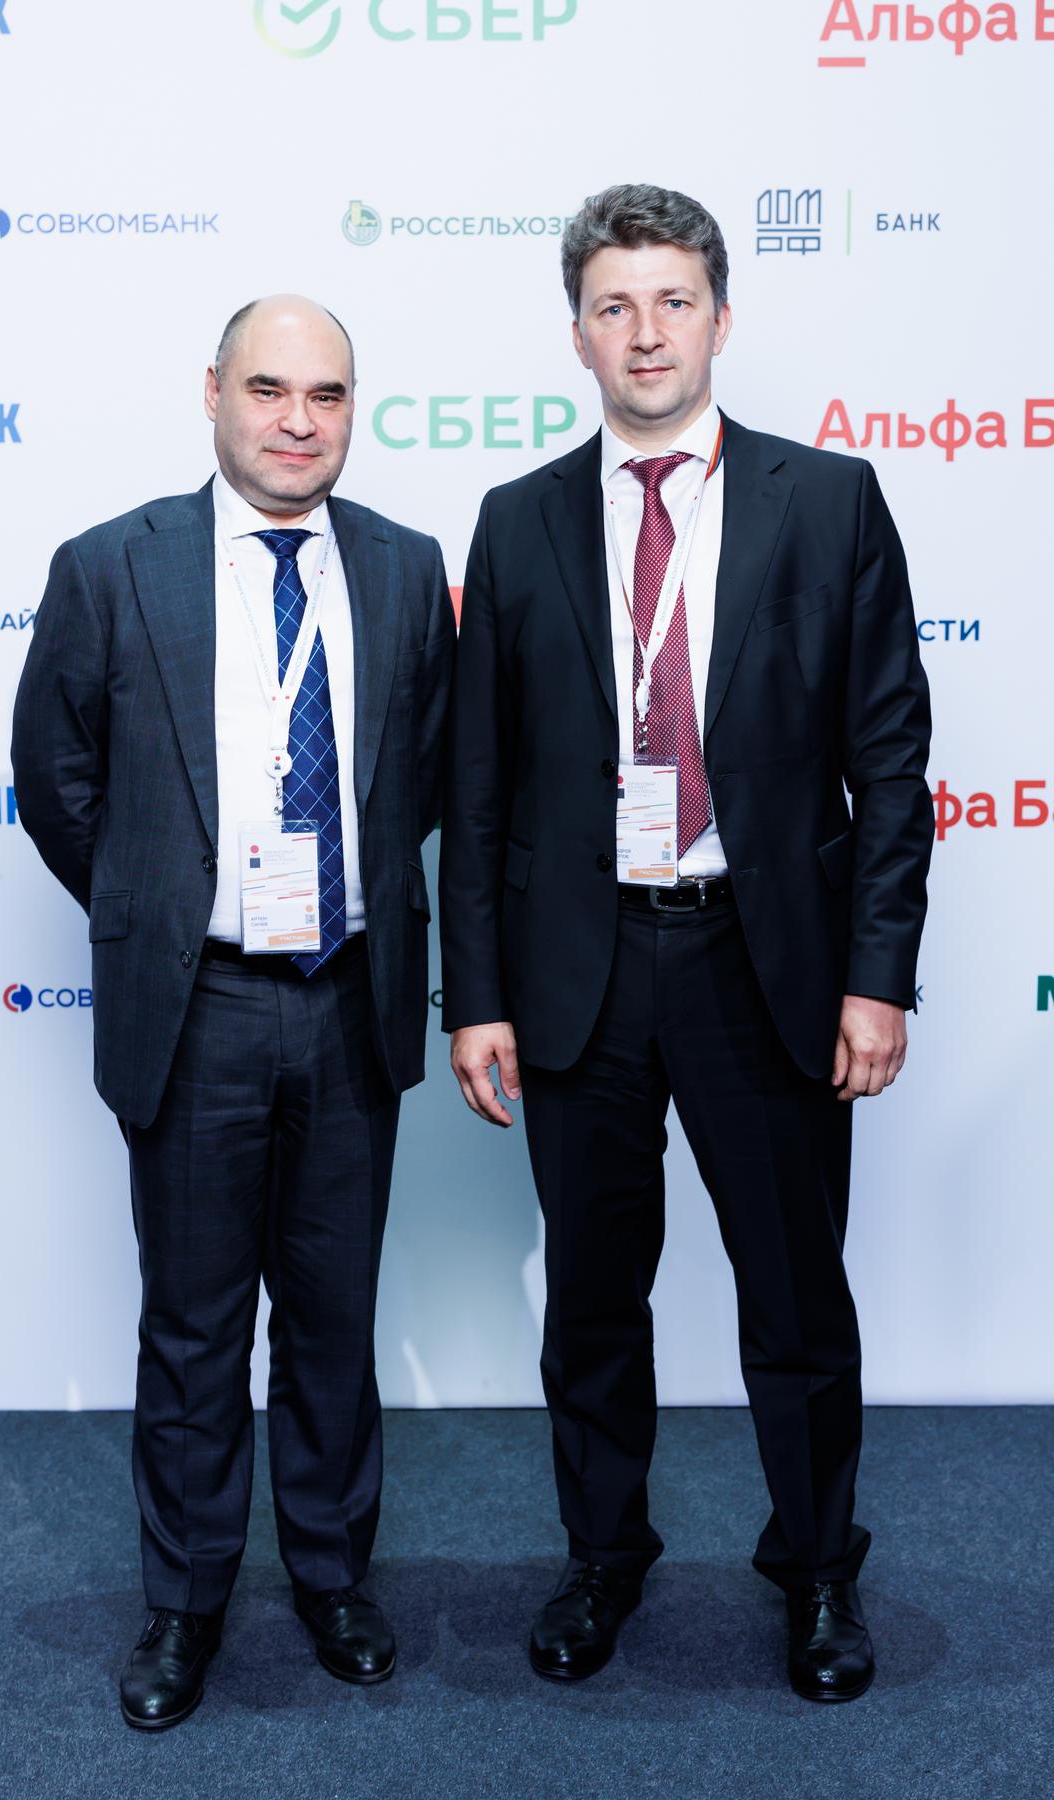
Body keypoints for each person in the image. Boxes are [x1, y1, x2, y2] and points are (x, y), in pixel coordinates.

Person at [439, 185, 932, 1703]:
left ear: (723, 318)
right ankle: (605, 1555)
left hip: (760, 964)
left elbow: (890, 763)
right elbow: (478, 790)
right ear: (577, 334)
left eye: (672, 301)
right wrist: (476, 998)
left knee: (795, 1297)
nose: (644, 333)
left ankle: (818, 1569)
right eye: (614, 305)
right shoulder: (517, 520)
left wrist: (877, 974)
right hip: (580, 971)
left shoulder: (829, 501)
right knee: (595, 1298)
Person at [12, 295, 454, 1729]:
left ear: (351, 410)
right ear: (213, 392)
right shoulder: (112, 565)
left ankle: (331, 1575)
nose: (296, 421)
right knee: (195, 1327)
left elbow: (428, 775)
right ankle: (186, 1601)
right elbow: (54, 776)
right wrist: (157, 903)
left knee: (332, 1318)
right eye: (268, 389)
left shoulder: (405, 569)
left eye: (325, 395)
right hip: (195, 1005)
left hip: (348, 998)